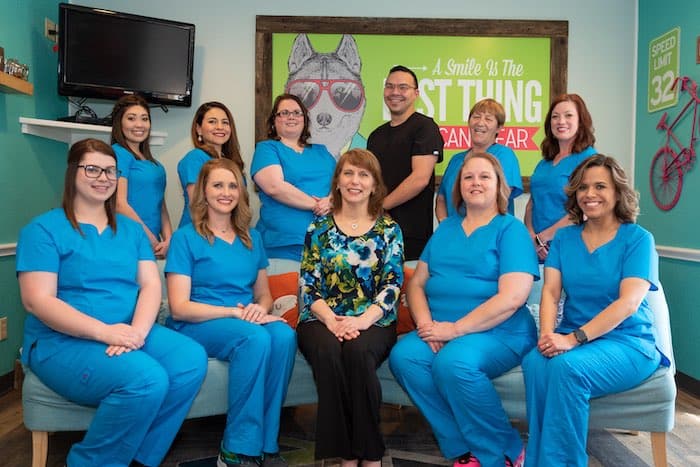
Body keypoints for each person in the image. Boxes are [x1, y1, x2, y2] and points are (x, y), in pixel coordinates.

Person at [16, 138, 207, 467]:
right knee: (146, 379)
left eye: (110, 171)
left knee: (191, 358)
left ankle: (140, 457)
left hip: (126, 328)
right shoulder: (44, 229)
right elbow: (38, 301)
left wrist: (136, 332)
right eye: (92, 169)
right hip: (59, 341)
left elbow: (149, 285)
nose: (103, 177)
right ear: (72, 173)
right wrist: (106, 333)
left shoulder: (132, 231)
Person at [389, 152, 538, 467]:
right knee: (405, 358)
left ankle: (505, 451)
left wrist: (455, 330)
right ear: (459, 185)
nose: (475, 183)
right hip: (442, 324)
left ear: (499, 184)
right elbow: (416, 284)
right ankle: (465, 446)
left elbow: (512, 298)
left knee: (453, 362)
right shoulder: (445, 229)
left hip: (500, 330)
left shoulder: (510, 230)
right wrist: (427, 324)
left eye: (485, 176)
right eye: (468, 176)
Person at [522, 155, 664, 467]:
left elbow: (628, 303)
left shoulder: (638, 239)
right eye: (583, 187)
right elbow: (550, 290)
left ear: (617, 192)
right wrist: (547, 334)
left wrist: (572, 339)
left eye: (600, 186)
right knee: (535, 361)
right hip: (574, 338)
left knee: (566, 368)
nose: (590, 194)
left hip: (628, 343)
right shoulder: (564, 237)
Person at [165, 158, 296, 467]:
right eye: (218, 185)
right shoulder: (186, 237)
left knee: (283, 335)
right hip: (199, 321)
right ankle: (237, 448)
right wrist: (234, 314)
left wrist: (258, 309)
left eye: (233, 185)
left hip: (241, 319)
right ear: (204, 192)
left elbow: (264, 295)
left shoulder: (252, 238)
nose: (226, 192)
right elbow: (179, 307)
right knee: (254, 338)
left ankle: (267, 443)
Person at [297, 148, 404, 467]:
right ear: (338, 182)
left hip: (374, 319)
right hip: (320, 317)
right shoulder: (318, 229)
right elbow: (307, 284)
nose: (355, 180)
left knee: (358, 352)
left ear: (374, 185)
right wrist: (332, 321)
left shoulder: (388, 230)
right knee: (329, 352)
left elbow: (392, 285)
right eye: (348, 173)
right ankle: (346, 455)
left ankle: (369, 455)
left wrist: (361, 321)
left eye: (363, 174)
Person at [367, 65, 444, 260]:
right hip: (374, 232)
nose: (395, 92)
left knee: (408, 289)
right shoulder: (375, 136)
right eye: (390, 86)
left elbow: (420, 178)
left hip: (411, 235)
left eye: (403, 87)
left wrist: (381, 207)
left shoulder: (425, 127)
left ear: (416, 93)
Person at [251, 93, 335, 260]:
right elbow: (275, 187)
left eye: (297, 113)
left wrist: (332, 201)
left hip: (327, 244)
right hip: (283, 246)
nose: (292, 117)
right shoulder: (267, 148)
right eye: (284, 113)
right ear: (274, 121)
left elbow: (341, 184)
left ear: (304, 120)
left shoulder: (322, 151)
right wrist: (318, 205)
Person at [525, 93, 597, 260]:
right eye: (555, 117)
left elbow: (585, 209)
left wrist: (543, 238)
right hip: (536, 250)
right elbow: (532, 203)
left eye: (568, 115)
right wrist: (531, 236)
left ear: (581, 121)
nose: (561, 121)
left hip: (569, 247)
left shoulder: (589, 159)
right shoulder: (544, 162)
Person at [435, 98, 522, 220]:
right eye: (476, 117)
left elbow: (501, 197)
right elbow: (441, 199)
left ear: (499, 128)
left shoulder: (504, 155)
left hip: (490, 234)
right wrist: (448, 230)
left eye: (488, 119)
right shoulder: (456, 160)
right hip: (454, 235)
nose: (480, 123)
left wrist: (472, 232)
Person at [111, 94, 173, 258]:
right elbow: (119, 204)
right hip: (130, 240)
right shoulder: (119, 153)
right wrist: (150, 239)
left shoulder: (155, 164)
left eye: (144, 119)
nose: (139, 124)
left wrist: (168, 239)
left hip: (155, 243)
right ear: (120, 123)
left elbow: (161, 205)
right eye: (131, 118)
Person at [177, 101, 244, 228]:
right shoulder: (195, 158)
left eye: (225, 122)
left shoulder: (232, 161)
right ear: (198, 129)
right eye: (212, 121)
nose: (220, 127)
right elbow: (197, 204)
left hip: (230, 231)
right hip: (201, 232)